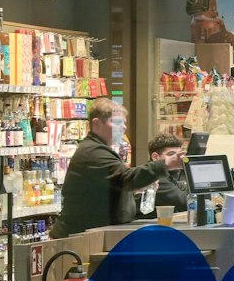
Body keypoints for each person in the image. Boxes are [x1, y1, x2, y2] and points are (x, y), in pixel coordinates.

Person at [55, 99, 168, 237]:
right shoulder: (93, 152)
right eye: (117, 122)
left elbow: (114, 187)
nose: (124, 127)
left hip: (90, 234)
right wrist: (165, 164)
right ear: (96, 124)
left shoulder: (100, 149)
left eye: (124, 123)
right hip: (76, 238)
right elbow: (126, 178)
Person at [129, 134, 192, 219]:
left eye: (178, 155)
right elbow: (183, 201)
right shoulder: (154, 177)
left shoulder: (171, 174)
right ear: (155, 157)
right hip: (142, 229)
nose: (176, 159)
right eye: (171, 154)